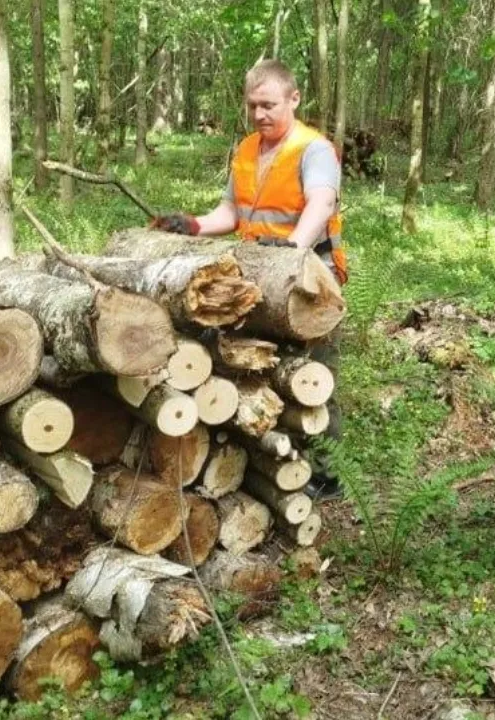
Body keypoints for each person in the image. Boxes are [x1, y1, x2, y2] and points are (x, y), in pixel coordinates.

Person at [152, 59, 346, 500]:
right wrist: (193, 225)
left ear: (293, 99)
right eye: (253, 105)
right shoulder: (245, 151)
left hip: (311, 278)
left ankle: (328, 475)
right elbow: (231, 213)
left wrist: (294, 247)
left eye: (269, 105)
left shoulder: (313, 150)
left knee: (313, 373)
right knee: (263, 367)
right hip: (258, 275)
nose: (260, 114)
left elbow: (321, 202)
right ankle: (273, 461)